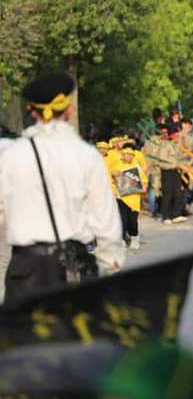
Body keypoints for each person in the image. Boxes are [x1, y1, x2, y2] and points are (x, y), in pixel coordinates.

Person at [0, 74, 125, 303]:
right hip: (74, 268)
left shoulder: (10, 156)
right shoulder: (87, 156)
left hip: (25, 271)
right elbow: (105, 222)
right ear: (68, 109)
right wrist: (111, 264)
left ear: (31, 111)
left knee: (26, 327)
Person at [109, 144, 147, 250]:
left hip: (134, 199)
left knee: (132, 221)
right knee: (122, 220)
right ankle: (121, 240)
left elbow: (144, 181)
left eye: (131, 155)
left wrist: (143, 188)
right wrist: (115, 174)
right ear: (123, 155)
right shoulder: (117, 164)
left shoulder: (137, 167)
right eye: (126, 154)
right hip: (121, 198)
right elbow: (111, 175)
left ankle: (134, 238)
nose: (129, 156)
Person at [151, 124, 187, 225]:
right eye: (176, 134)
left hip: (176, 172)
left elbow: (178, 159)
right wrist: (177, 165)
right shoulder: (165, 146)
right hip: (167, 172)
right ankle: (166, 216)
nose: (178, 136)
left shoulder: (176, 146)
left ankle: (176, 215)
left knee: (178, 193)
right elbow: (162, 161)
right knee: (168, 194)